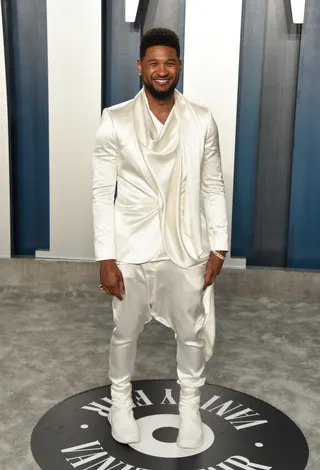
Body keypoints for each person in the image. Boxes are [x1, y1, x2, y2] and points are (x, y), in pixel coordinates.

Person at [93, 27, 228, 449]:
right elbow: (102, 191)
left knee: (190, 333)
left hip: (186, 244)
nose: (162, 70)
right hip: (131, 245)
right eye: (154, 63)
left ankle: (190, 406)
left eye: (169, 62)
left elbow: (213, 186)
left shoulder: (202, 119)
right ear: (140, 67)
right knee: (125, 331)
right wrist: (105, 257)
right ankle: (119, 402)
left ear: (180, 66)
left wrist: (219, 244)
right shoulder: (113, 119)